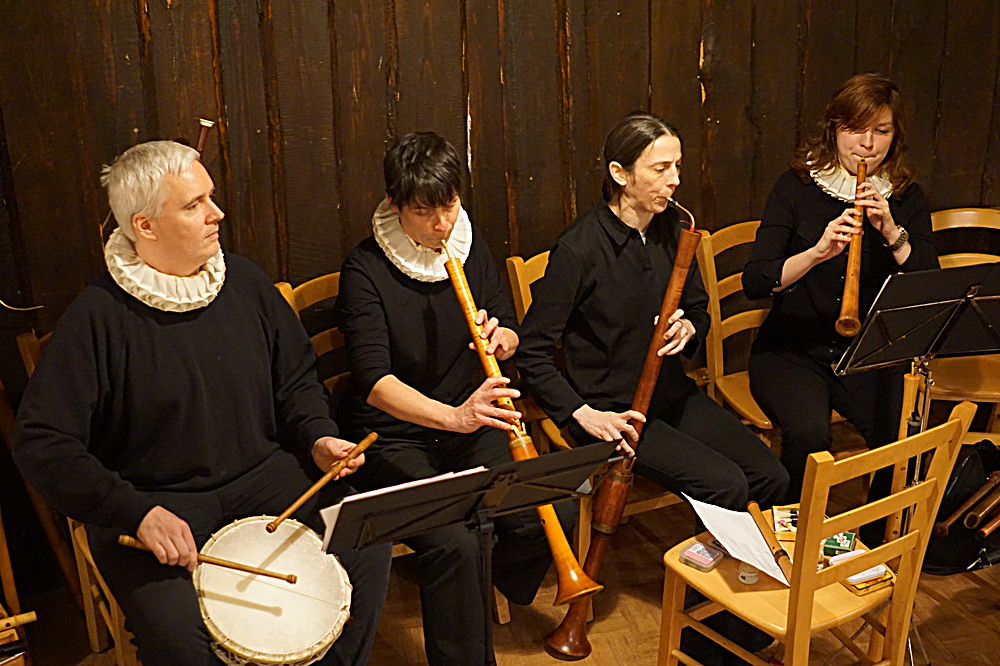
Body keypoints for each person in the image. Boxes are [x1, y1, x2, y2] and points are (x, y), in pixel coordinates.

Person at [12, 141, 391, 666]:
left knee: (367, 549)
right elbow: (41, 443)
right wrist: (135, 512)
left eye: (210, 197)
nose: (218, 214)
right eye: (194, 205)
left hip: (263, 477)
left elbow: (297, 380)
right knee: (180, 641)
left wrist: (317, 434)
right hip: (157, 502)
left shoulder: (246, 282)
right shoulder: (97, 316)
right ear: (144, 226)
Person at [516, 111, 788, 666]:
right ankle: (703, 624)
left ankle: (730, 603)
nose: (674, 180)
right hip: (612, 412)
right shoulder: (578, 249)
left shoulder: (670, 230)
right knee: (723, 483)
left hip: (667, 394)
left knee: (770, 474)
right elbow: (531, 354)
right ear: (620, 173)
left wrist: (691, 323)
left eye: (677, 167)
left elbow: (698, 307)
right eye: (660, 168)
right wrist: (580, 413)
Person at [334, 131, 565, 665]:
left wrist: (502, 337)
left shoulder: (467, 241)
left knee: (540, 513)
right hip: (393, 434)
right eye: (424, 212)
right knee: (459, 541)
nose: (442, 224)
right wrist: (454, 416)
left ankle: (486, 579)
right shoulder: (364, 270)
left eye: (450, 206)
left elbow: (504, 322)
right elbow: (373, 381)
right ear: (395, 204)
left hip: (471, 420)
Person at [743, 73, 938, 515]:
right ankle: (789, 536)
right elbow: (755, 281)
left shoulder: (905, 198)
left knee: (900, 436)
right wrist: (816, 253)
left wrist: (890, 230)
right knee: (810, 436)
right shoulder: (796, 188)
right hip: (791, 350)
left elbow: (928, 280)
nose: (868, 144)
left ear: (895, 135)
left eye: (882, 131)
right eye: (856, 130)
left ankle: (872, 545)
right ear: (834, 129)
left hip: (868, 353)